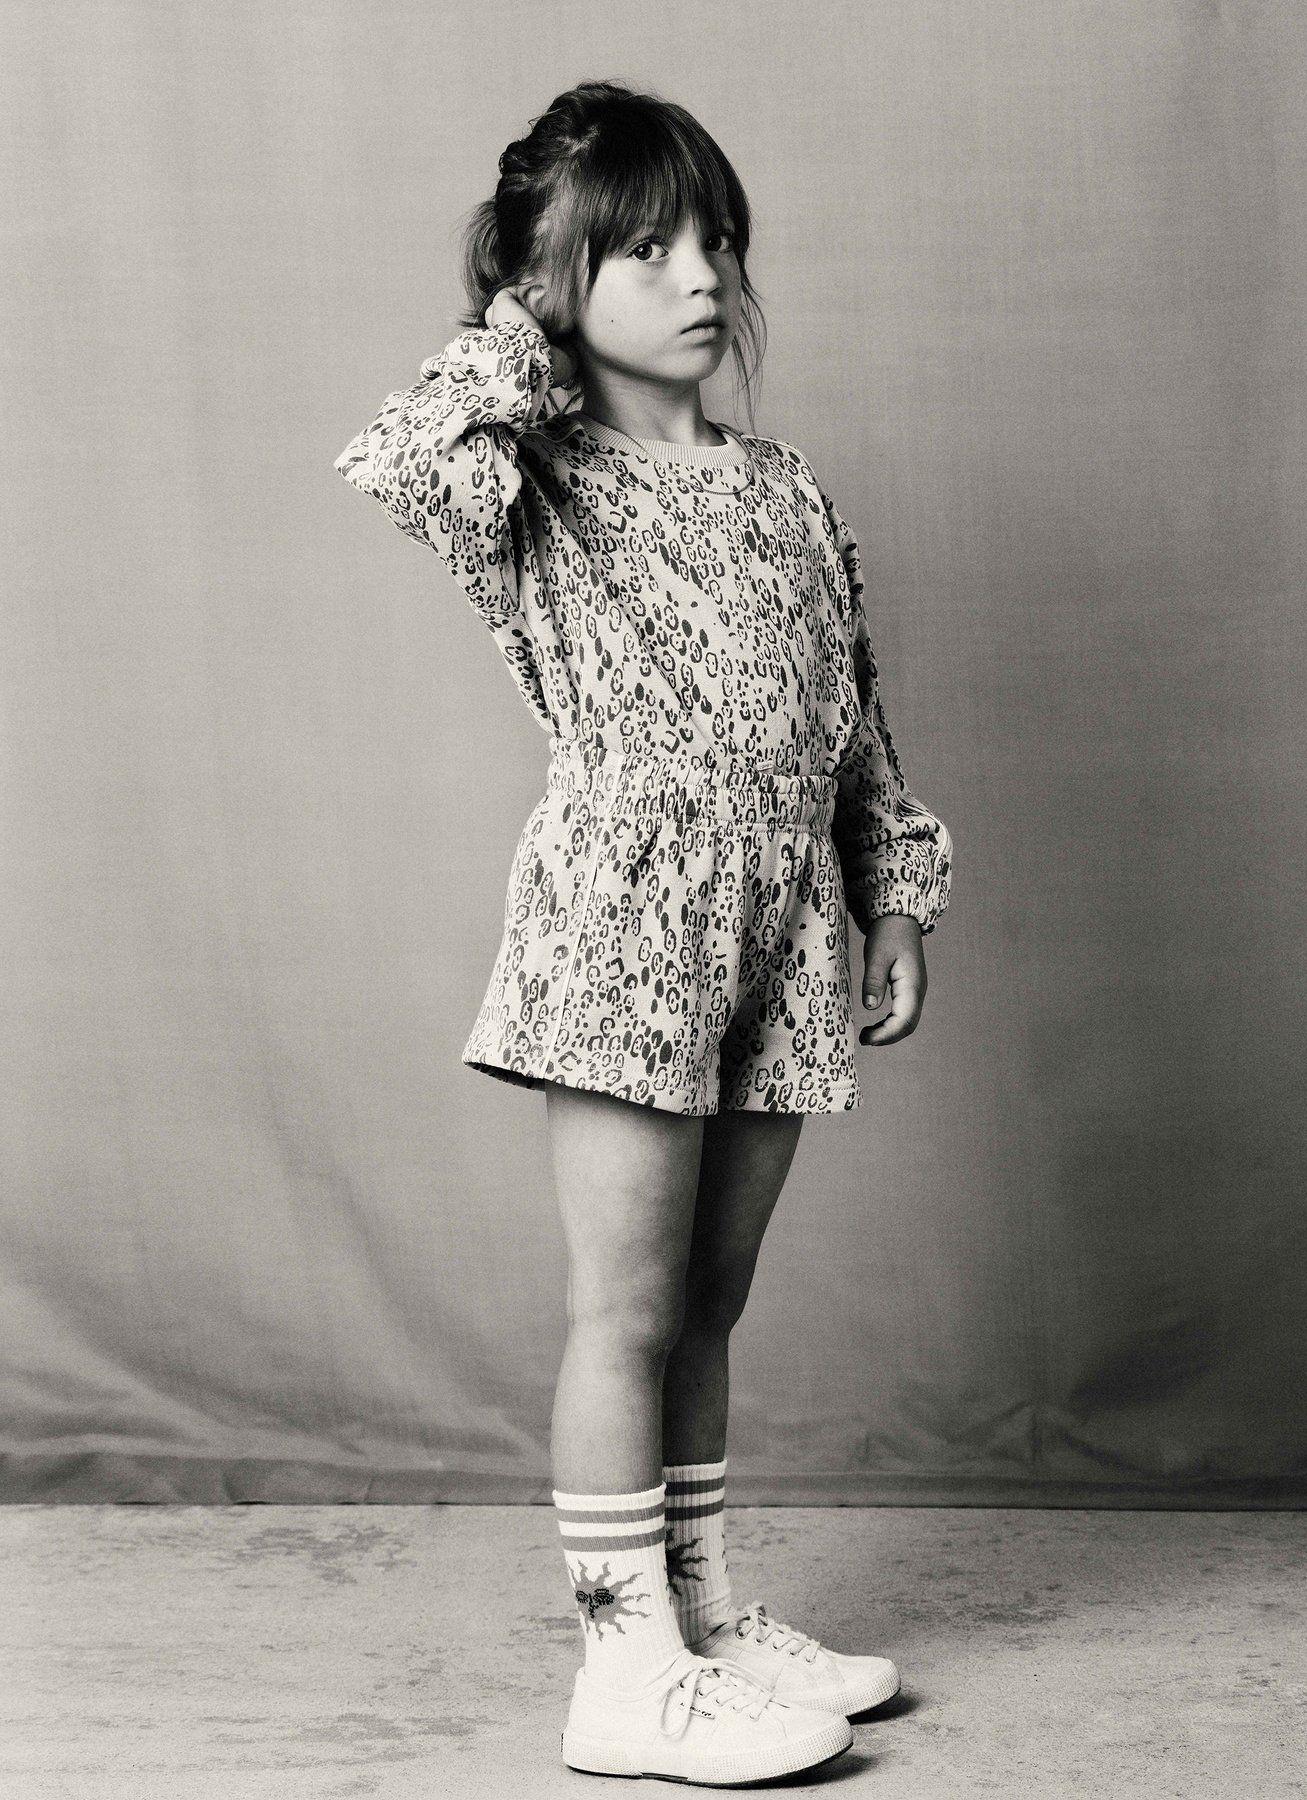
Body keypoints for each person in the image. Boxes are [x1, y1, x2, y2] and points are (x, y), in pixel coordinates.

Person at [334, 77, 953, 1788]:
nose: (699, 278)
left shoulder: (782, 486)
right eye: (644, 249)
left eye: (714, 241)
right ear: (553, 281)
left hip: (781, 929)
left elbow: (849, 718)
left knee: (706, 1300)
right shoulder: (531, 483)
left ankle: (701, 1616)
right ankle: (623, 1676)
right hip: (624, 924)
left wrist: (890, 891)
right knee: (622, 1305)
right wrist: (512, 322)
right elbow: (397, 459)